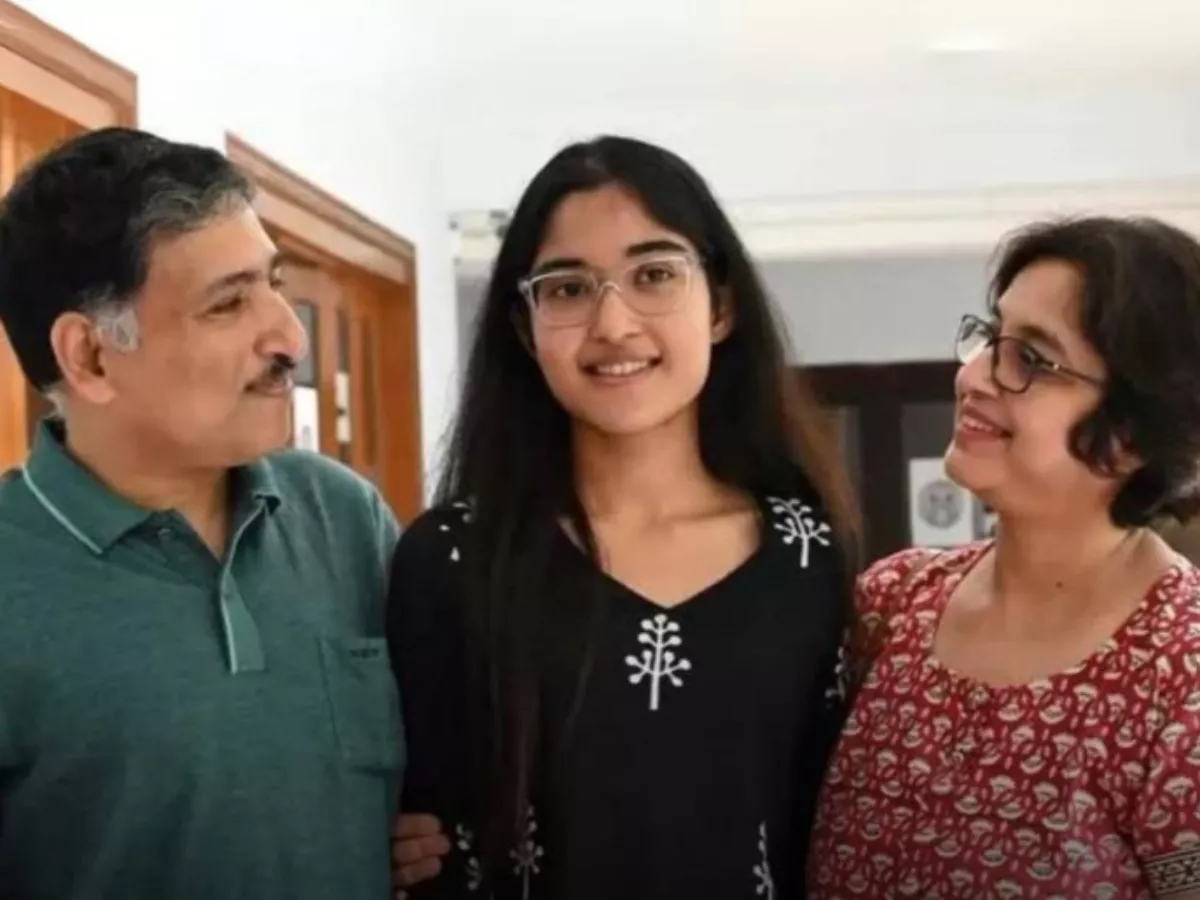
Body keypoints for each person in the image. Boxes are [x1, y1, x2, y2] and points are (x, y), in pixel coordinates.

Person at [386, 135, 858, 899]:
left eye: (654, 275)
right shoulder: (449, 559)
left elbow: (834, 824)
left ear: (722, 305)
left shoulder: (808, 554)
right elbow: (410, 822)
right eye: (568, 288)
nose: (613, 324)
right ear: (524, 327)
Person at [0, 127, 403, 899]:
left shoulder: (345, 517)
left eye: (274, 283)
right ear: (89, 356)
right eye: (228, 303)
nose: (291, 336)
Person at [809, 217, 1200, 898]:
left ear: (1134, 433)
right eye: (992, 337)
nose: (974, 376)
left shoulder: (1181, 670)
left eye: (1033, 360)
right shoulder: (892, 601)